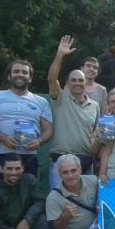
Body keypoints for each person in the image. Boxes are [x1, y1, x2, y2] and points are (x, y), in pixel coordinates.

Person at [0, 59, 53, 178]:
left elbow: (49, 129)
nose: (20, 74)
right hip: (2, 155)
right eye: (16, 71)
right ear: (9, 76)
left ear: (30, 78)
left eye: (25, 72)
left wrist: (39, 141)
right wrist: (2, 138)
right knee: (0, 194)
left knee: (28, 194)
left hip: (29, 157)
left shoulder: (41, 101)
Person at [47, 35, 100, 189]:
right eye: (73, 80)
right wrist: (60, 55)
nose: (77, 83)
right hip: (61, 161)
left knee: (85, 206)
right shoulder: (60, 99)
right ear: (67, 83)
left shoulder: (94, 106)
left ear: (86, 82)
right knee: (60, 203)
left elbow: (95, 135)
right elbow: (51, 79)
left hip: (85, 162)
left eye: (80, 80)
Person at [46, 154, 107, 229]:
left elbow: (108, 194)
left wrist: (100, 199)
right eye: (65, 172)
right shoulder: (53, 196)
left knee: (114, 223)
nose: (70, 175)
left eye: (73, 170)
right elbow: (55, 228)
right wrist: (65, 216)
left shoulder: (93, 180)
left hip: (93, 228)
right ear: (59, 174)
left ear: (80, 170)